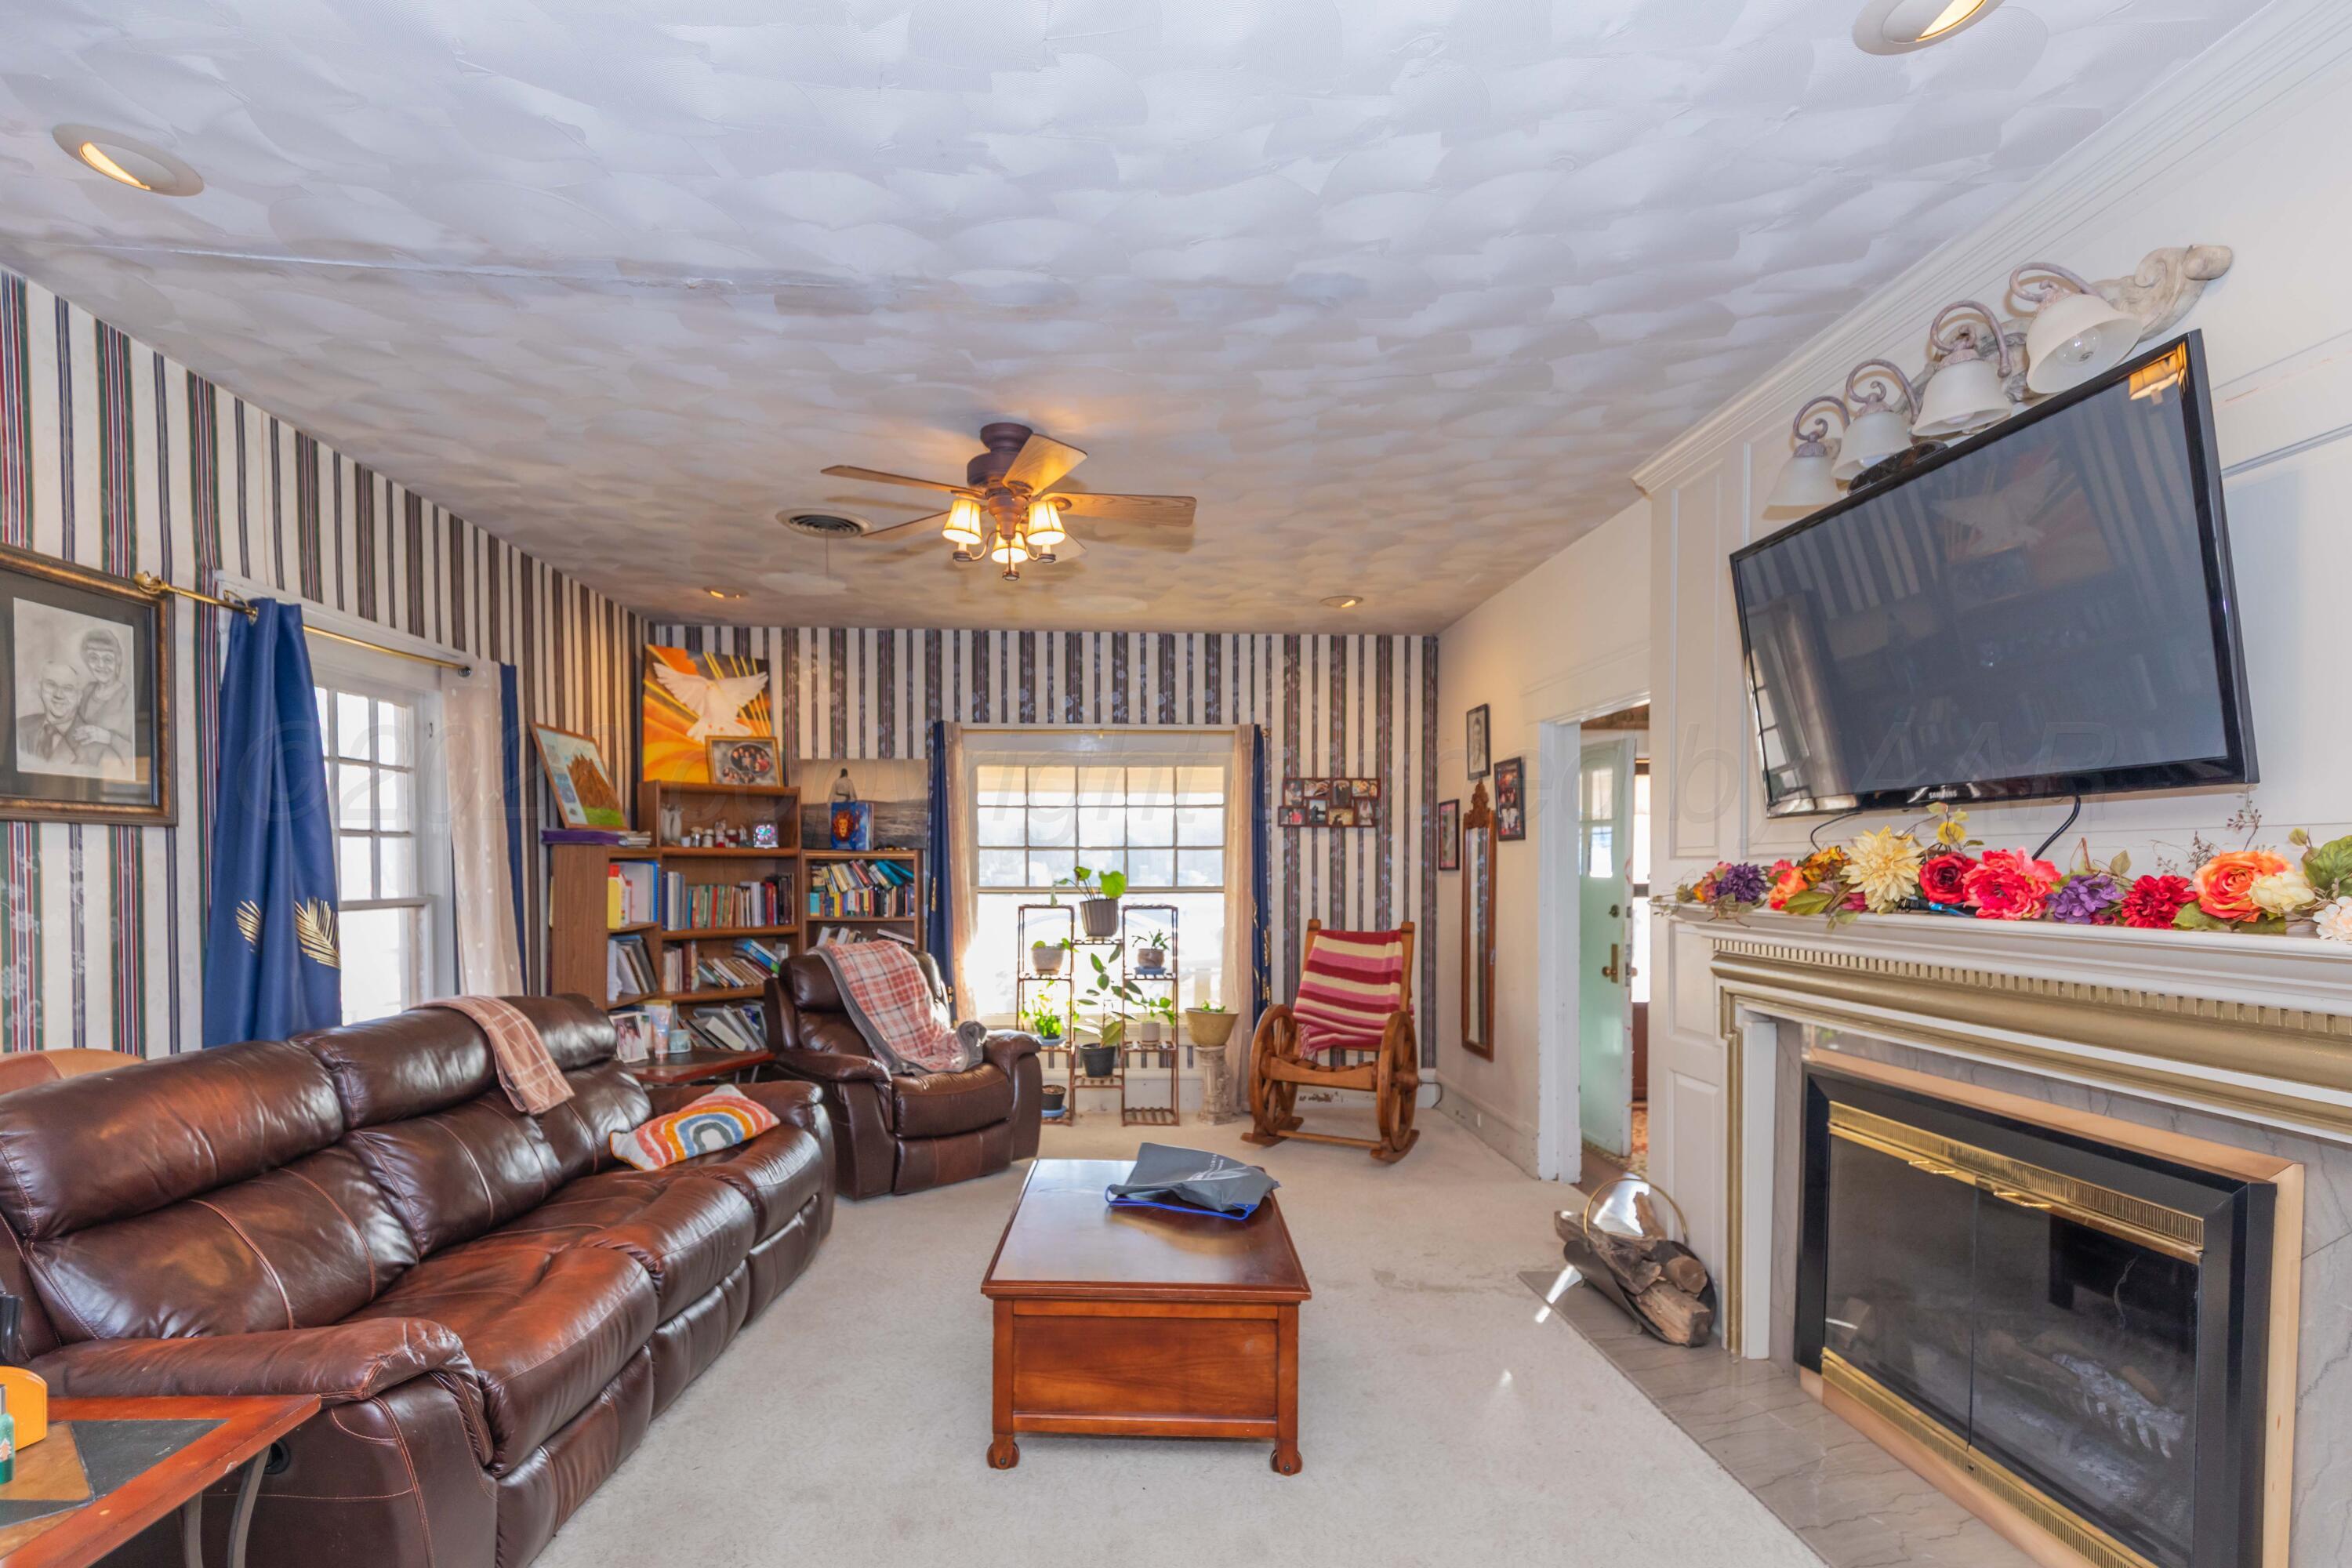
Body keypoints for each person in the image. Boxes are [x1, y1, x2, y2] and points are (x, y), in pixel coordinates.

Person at [17, 661, 123, 775]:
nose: (59, 694)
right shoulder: (19, 727)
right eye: (51, 685)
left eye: (68, 689)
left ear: (79, 697)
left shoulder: (101, 753)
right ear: (40, 689)